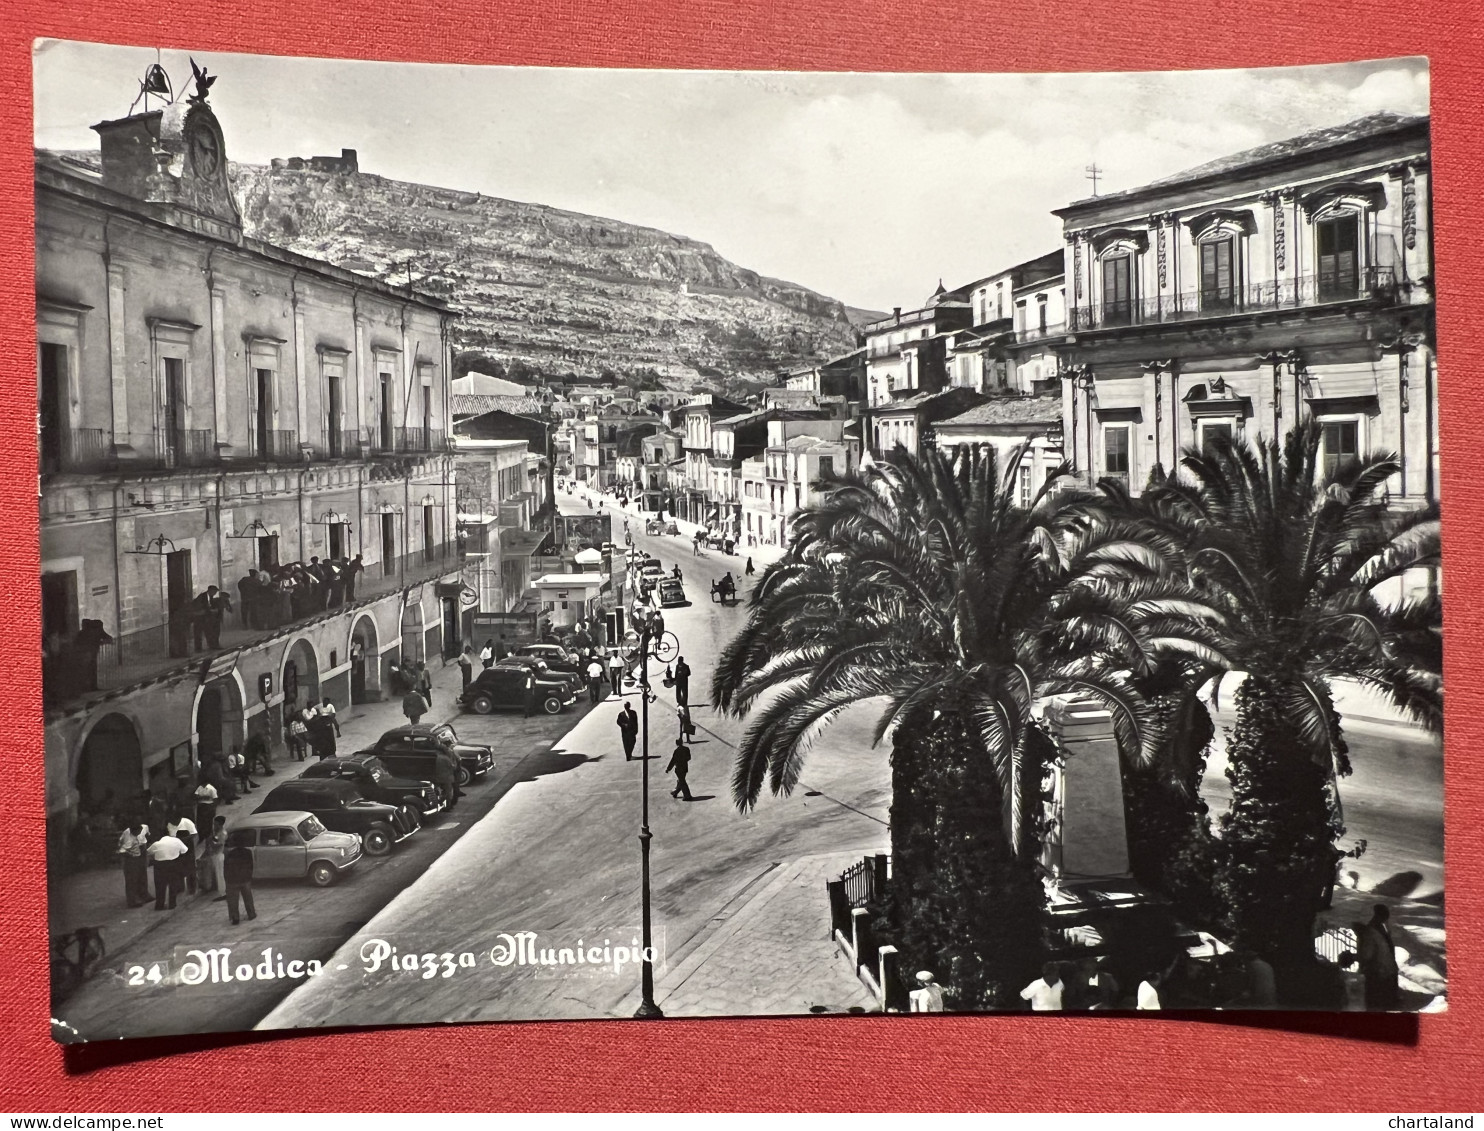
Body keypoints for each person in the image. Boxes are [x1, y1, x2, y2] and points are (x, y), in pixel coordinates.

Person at [1356, 904, 1401, 1010]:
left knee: (1377, 998)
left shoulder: (1377, 928)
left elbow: (1368, 953)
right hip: (1381, 968)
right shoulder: (1374, 930)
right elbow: (1369, 952)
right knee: (1377, 999)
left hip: (1381, 968)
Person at [146, 830, 189, 910]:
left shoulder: (156, 844)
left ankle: (159, 905)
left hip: (159, 865)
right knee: (173, 884)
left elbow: (148, 852)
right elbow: (185, 850)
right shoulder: (176, 840)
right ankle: (172, 904)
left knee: (160, 886)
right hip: (173, 863)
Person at [117, 822, 151, 908]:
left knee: (142, 875)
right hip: (130, 858)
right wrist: (131, 857)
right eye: (135, 832)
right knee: (132, 879)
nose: (138, 833)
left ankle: (144, 895)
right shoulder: (127, 837)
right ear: (131, 831)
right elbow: (121, 852)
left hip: (141, 853)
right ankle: (132, 900)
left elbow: (146, 840)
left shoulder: (144, 828)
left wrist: (145, 855)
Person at [191, 585, 233, 651]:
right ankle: (199, 648)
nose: (215, 593)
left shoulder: (211, 597)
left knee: (208, 632)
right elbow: (201, 606)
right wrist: (211, 610)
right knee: (199, 632)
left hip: (207, 617)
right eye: (215, 591)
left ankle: (211, 645)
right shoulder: (203, 596)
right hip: (199, 617)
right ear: (210, 591)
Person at [223, 841, 257, 925]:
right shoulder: (248, 852)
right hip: (245, 879)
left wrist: (227, 879)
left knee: (232, 900)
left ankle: (235, 918)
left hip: (232, 880)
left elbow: (226, 867)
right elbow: (251, 865)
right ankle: (251, 914)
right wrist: (249, 876)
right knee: (248, 897)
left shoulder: (229, 854)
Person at [167, 812, 199, 895]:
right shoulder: (169, 824)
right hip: (176, 847)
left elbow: (194, 834)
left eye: (175, 821)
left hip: (188, 847)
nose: (173, 823)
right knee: (178, 867)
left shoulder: (187, 822)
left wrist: (185, 839)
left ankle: (192, 887)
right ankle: (180, 887)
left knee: (191, 868)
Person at [201, 814, 227, 897]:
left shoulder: (222, 833)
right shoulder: (217, 833)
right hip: (215, 855)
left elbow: (218, 845)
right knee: (216, 874)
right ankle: (218, 890)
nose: (214, 826)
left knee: (220, 874)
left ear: (220, 824)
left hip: (218, 855)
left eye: (216, 824)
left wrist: (210, 841)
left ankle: (223, 893)